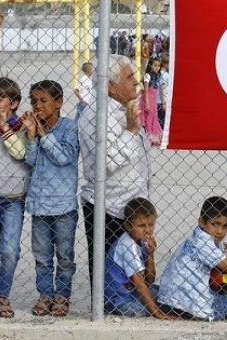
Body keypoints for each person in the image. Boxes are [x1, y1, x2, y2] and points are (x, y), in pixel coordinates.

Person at [79, 54, 153, 288]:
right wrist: (130, 131)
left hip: (133, 207)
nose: (135, 82)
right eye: (129, 77)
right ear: (111, 85)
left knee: (133, 273)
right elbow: (106, 164)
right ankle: (103, 312)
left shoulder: (125, 109)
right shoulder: (95, 117)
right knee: (109, 280)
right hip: (108, 208)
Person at [158, 196, 227, 321]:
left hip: (170, 303)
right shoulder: (204, 242)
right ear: (202, 222)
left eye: (225, 226)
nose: (220, 231)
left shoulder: (201, 236)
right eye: (215, 224)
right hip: (201, 308)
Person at [22, 80, 79, 317]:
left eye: (43, 101)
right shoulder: (34, 128)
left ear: (58, 102)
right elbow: (31, 161)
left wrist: (44, 134)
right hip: (39, 206)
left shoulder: (68, 128)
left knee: (64, 257)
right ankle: (45, 295)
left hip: (63, 206)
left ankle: (62, 296)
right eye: (34, 101)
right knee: (42, 257)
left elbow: (64, 157)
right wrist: (32, 135)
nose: (38, 105)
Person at [104, 198, 176, 319]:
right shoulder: (127, 245)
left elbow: (149, 280)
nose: (148, 230)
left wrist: (150, 254)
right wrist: (157, 313)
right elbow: (141, 284)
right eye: (142, 225)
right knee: (165, 303)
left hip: (134, 294)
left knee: (167, 291)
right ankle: (159, 309)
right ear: (127, 225)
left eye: (151, 224)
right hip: (121, 301)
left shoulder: (141, 241)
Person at [0, 77, 27, 318]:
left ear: (13, 103)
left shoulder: (20, 126)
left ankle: (2, 293)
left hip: (13, 199)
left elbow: (21, 154)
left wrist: (5, 129)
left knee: (8, 250)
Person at [140, 58, 163, 146]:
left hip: (154, 99)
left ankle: (153, 136)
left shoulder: (157, 76)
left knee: (154, 116)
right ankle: (149, 135)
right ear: (150, 65)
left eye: (158, 66)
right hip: (148, 97)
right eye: (155, 65)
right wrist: (147, 102)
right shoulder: (147, 75)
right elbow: (146, 90)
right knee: (148, 116)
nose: (157, 67)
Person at [158, 55, 170, 130]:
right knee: (162, 121)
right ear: (165, 64)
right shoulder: (165, 75)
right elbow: (162, 88)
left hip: (159, 101)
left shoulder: (160, 73)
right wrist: (164, 103)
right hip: (162, 101)